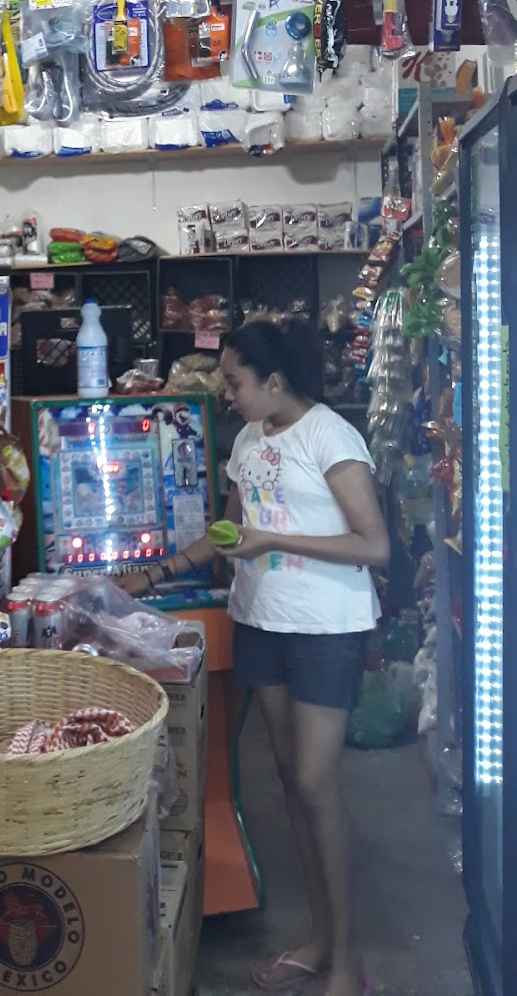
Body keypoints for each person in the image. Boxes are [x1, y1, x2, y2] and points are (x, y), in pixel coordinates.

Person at [120, 319, 389, 996]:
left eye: (234, 382)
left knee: (315, 784)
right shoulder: (246, 441)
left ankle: (347, 959)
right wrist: (150, 576)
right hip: (261, 621)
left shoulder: (330, 436)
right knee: (294, 788)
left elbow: (373, 546)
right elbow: (229, 532)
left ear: (273, 381)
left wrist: (272, 540)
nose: (226, 393)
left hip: (326, 627)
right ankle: (320, 940)